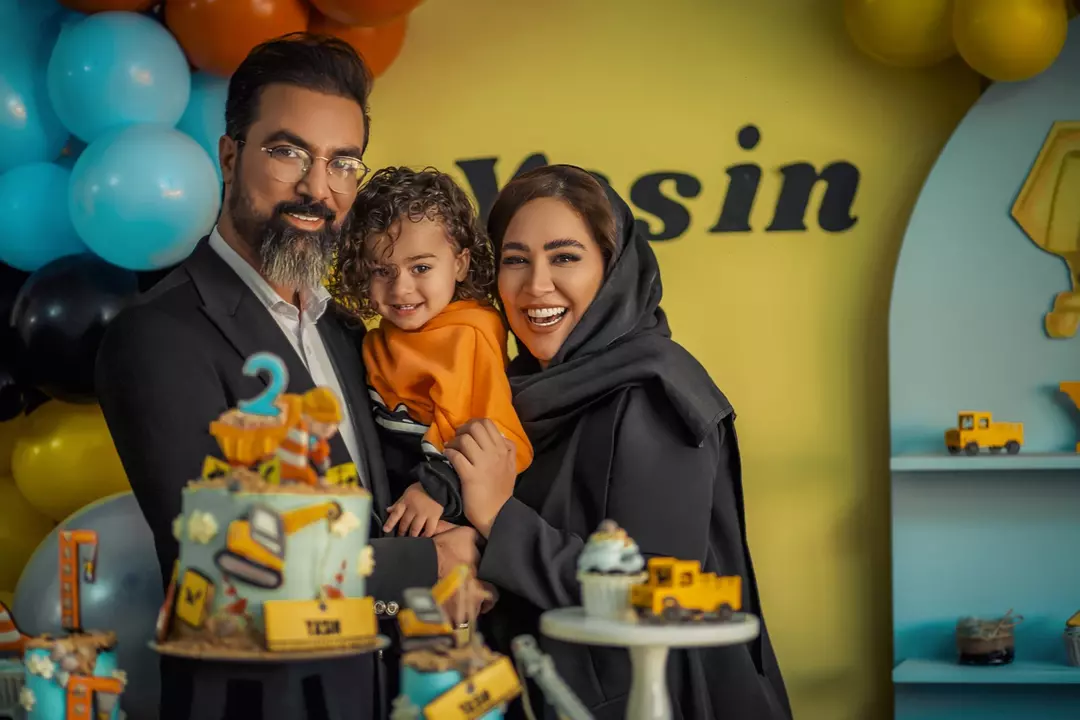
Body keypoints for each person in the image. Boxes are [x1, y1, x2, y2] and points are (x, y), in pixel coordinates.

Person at [94, 34, 481, 720]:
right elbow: (222, 559)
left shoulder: (347, 331)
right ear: (229, 155)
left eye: (341, 163)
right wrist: (427, 567)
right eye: (288, 152)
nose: (317, 187)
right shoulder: (156, 335)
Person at [443, 165, 793, 719]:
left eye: (565, 257)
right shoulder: (510, 393)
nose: (536, 285)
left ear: (612, 268)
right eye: (515, 259)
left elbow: (653, 595)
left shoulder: (656, 394)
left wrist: (498, 518)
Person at [329, 166, 533, 538]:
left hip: (443, 507)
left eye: (421, 267)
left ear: (460, 264)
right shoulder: (376, 339)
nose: (401, 289)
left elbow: (494, 435)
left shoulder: (468, 333)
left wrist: (435, 490)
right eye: (382, 271)